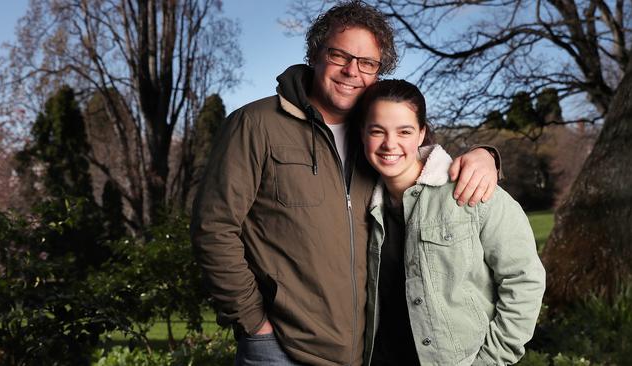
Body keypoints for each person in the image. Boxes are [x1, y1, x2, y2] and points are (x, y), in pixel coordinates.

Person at [190, 2, 499, 365]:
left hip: (363, 351)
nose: (352, 71)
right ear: (315, 55)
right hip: (280, 349)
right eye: (339, 55)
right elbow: (213, 228)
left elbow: (426, 168)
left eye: (367, 63)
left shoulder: (374, 137)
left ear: (377, 72)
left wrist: (486, 156)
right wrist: (253, 322)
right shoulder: (256, 124)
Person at [358, 79, 545, 365]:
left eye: (404, 131)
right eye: (377, 131)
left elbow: (524, 280)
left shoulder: (472, 188)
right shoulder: (364, 201)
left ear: (421, 134)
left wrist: (491, 359)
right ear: (362, 133)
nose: (389, 144)